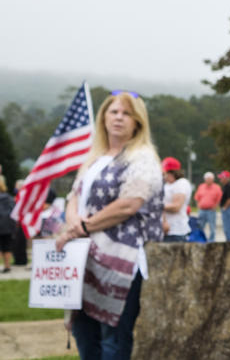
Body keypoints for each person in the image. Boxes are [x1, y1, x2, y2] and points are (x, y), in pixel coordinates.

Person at [55, 91, 163, 360]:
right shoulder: (94, 157)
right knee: (84, 332)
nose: (118, 118)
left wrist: (83, 227)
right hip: (84, 259)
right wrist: (73, 226)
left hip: (120, 261)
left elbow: (129, 204)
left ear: (137, 122)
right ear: (103, 116)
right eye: (113, 111)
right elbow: (73, 197)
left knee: (113, 337)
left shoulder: (142, 158)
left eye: (126, 114)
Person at [161, 157, 192, 243]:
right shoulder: (166, 185)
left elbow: (176, 207)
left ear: (172, 173)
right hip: (165, 230)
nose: (164, 176)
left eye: (166, 173)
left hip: (176, 231)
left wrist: (157, 206)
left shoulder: (181, 183)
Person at [194, 172, 222, 242]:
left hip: (211, 210)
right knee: (200, 226)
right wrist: (198, 205)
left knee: (212, 227)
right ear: (205, 179)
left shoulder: (217, 187)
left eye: (210, 179)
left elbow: (219, 198)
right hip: (202, 210)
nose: (208, 180)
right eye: (207, 179)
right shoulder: (201, 186)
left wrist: (216, 206)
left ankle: (211, 241)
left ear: (213, 179)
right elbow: (197, 197)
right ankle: (200, 239)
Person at [0, 177, 15, 273]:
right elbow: (13, 211)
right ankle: (7, 265)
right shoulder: (9, 197)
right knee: (7, 246)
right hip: (8, 226)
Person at [218, 170, 230, 242]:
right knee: (226, 228)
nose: (220, 179)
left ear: (226, 178)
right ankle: (228, 241)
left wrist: (224, 207)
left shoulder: (229, 186)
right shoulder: (225, 186)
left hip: (228, 209)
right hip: (226, 209)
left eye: (222, 178)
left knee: (228, 227)